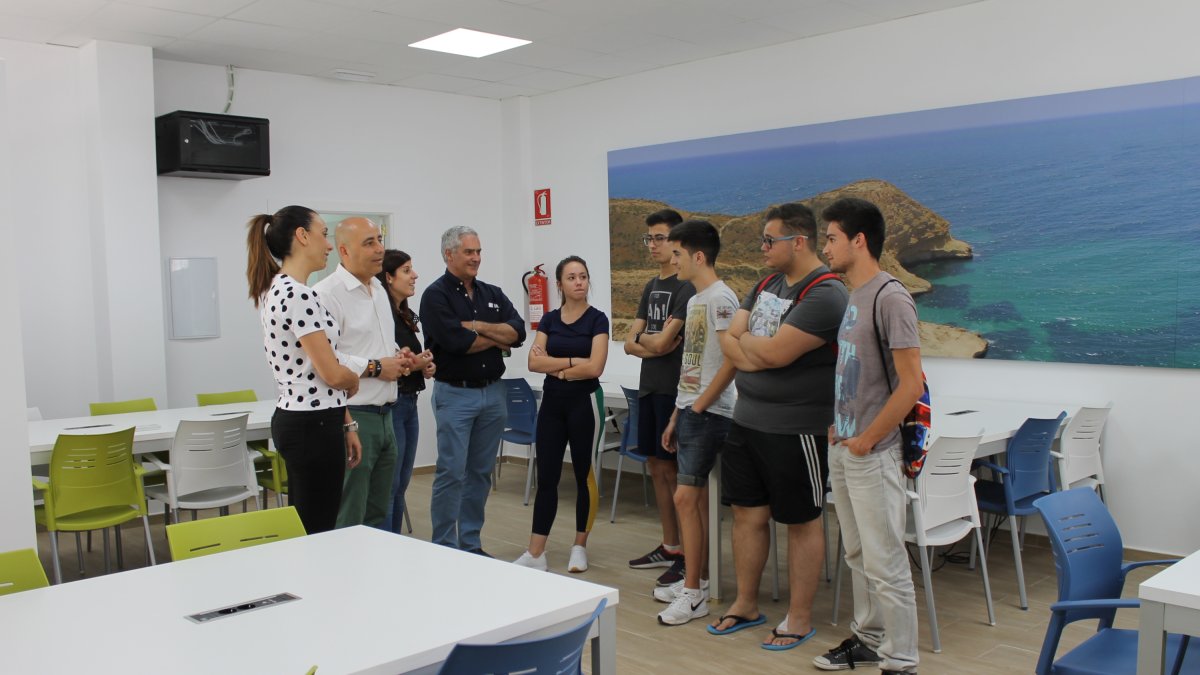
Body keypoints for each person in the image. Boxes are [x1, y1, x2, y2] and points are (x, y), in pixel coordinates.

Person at [712, 203, 848, 650]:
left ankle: (799, 617)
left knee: (801, 522)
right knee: (747, 515)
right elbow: (728, 341)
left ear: (800, 241)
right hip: (746, 422)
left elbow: (770, 354)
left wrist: (747, 346)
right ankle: (747, 604)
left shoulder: (825, 293)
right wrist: (753, 347)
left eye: (771, 240)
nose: (763, 247)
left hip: (796, 431)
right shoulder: (766, 283)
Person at [815, 198, 924, 674]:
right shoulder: (854, 295)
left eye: (831, 238)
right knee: (859, 554)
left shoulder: (891, 296)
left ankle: (901, 661)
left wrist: (867, 439)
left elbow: (911, 383)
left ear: (859, 241)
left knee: (887, 562)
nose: (825, 247)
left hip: (873, 453)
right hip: (848, 446)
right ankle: (869, 638)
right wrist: (843, 431)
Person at [244, 205, 362, 534]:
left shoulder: (275, 288)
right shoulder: (299, 295)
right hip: (313, 426)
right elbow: (332, 374)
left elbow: (315, 375)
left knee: (307, 521)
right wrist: (352, 377)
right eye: (324, 234)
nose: (328, 245)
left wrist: (346, 419)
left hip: (304, 418)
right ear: (302, 235)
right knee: (317, 527)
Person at [421, 226, 525, 554]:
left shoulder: (492, 294)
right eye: (469, 252)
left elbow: (518, 333)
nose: (476, 258)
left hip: (493, 394)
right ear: (448, 254)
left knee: (480, 473)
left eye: (478, 251)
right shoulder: (435, 296)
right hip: (455, 394)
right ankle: (444, 546)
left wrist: (477, 326)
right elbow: (455, 343)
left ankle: (470, 544)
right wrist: (498, 338)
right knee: (451, 472)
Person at [653, 220, 738, 626]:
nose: (674, 260)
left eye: (679, 254)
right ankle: (695, 581)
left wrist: (701, 405)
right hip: (689, 410)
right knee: (692, 500)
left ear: (698, 256)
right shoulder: (694, 300)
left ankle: (693, 594)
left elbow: (732, 359)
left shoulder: (722, 299)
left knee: (686, 499)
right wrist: (677, 412)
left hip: (710, 413)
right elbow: (692, 363)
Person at [313, 218, 415, 529]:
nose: (379, 248)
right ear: (343, 250)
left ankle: (376, 574)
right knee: (350, 515)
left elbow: (372, 343)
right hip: (354, 415)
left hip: (387, 415)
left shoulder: (378, 291)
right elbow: (326, 359)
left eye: (379, 240)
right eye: (369, 242)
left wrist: (399, 356)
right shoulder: (326, 294)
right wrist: (378, 366)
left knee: (380, 511)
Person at [513, 256, 609, 573]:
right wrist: (571, 364)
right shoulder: (551, 320)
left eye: (583, 276)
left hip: (585, 402)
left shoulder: (598, 320)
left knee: (584, 475)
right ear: (560, 284)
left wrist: (554, 361)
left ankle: (579, 545)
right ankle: (536, 551)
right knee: (548, 478)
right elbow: (533, 363)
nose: (579, 282)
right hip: (553, 403)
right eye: (571, 277)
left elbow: (595, 367)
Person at [623, 208, 695, 587]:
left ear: (677, 241)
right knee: (656, 468)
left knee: (677, 472)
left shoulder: (687, 288)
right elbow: (628, 343)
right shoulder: (652, 286)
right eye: (649, 238)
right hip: (649, 386)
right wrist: (652, 345)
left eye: (660, 238)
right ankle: (669, 545)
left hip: (674, 391)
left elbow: (666, 342)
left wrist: (647, 343)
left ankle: (688, 553)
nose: (653, 245)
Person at [377, 249, 436, 534]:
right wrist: (412, 365)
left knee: (401, 484)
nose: (414, 276)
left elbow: (404, 358)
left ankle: (395, 544)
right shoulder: (381, 315)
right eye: (406, 270)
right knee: (389, 487)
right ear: (388, 277)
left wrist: (421, 365)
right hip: (392, 403)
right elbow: (385, 362)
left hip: (409, 401)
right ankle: (385, 549)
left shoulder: (404, 314)